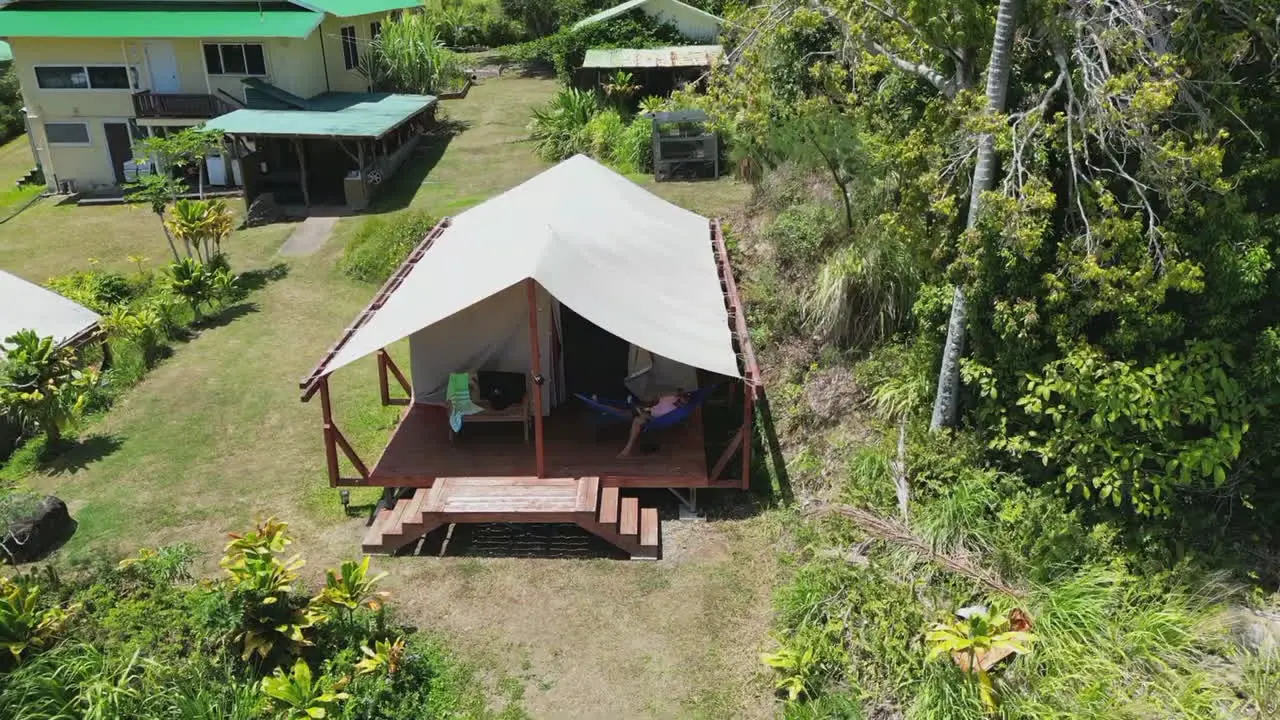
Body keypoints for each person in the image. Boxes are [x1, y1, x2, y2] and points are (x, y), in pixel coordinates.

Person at [618, 391, 688, 458]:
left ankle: (638, 410)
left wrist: (681, 398)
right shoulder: (664, 392)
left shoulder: (679, 397)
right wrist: (654, 400)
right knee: (637, 420)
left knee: (637, 414)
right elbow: (654, 402)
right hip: (652, 413)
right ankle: (627, 449)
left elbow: (685, 403)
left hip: (662, 417)